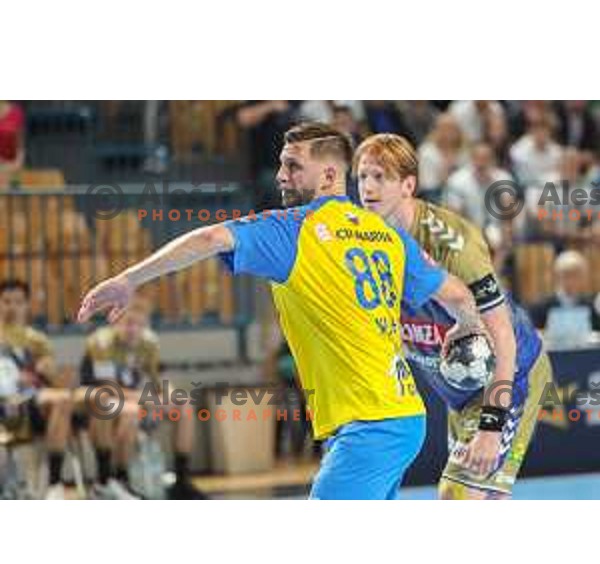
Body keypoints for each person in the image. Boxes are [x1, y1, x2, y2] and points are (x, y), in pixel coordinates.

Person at [78, 122, 484, 500]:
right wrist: (467, 324)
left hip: (371, 425)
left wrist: (130, 280)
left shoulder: (293, 229)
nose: (280, 176)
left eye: (293, 166)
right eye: (281, 165)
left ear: (328, 176)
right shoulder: (387, 235)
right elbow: (458, 294)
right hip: (403, 417)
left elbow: (207, 238)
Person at [354, 133, 554, 499]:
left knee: (458, 497)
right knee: (484, 497)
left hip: (512, 373)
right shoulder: (359, 243)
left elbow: (503, 339)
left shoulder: (452, 243)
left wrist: (491, 428)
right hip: (457, 388)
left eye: (380, 176)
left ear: (408, 185)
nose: (368, 187)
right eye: (362, 177)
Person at [80, 292, 205, 499]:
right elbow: (108, 388)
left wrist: (170, 397)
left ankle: (181, 479)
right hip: (97, 399)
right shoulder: (100, 343)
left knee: (184, 406)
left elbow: (160, 380)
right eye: (128, 323)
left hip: (136, 399)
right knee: (130, 410)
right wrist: (148, 399)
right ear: (116, 321)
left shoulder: (148, 343)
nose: (133, 329)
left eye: (140, 324)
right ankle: (118, 479)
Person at [0, 279, 73, 499]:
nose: (12, 307)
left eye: (19, 302)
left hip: (30, 402)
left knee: (63, 399)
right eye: (6, 301)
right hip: (4, 402)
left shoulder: (37, 341)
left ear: (27, 305)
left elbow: (59, 384)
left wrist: (50, 372)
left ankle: (54, 483)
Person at [529, 250, 600, 335]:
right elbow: (533, 333)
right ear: (557, 277)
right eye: (567, 275)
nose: (572, 280)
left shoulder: (591, 305)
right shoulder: (541, 306)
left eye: (577, 275)